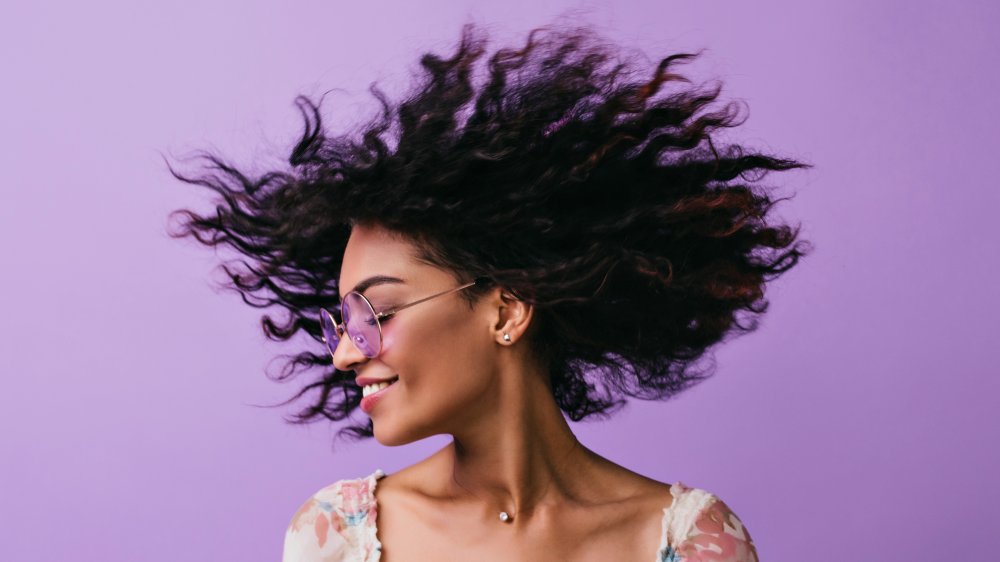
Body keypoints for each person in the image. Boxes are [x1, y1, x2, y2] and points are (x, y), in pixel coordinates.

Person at [168, 22, 809, 562]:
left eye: (379, 311)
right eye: (343, 321)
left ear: (505, 311)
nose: (343, 354)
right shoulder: (339, 536)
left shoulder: (687, 541)